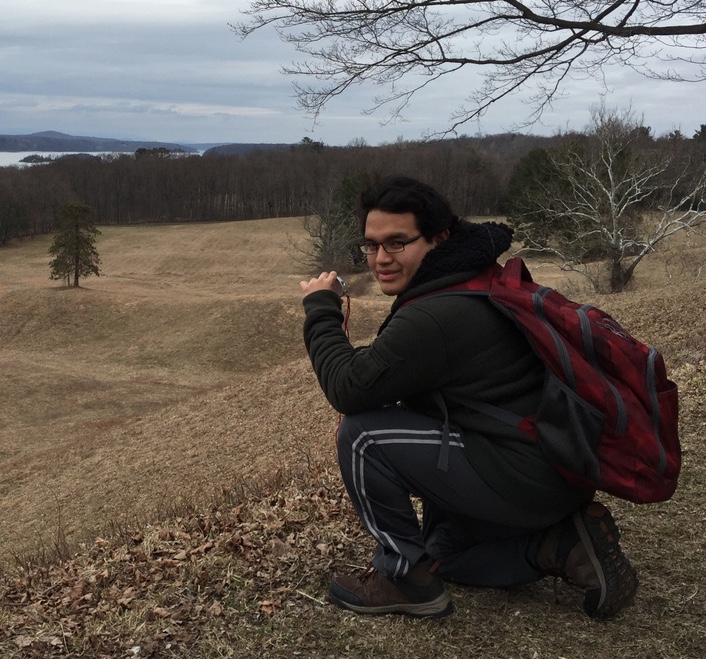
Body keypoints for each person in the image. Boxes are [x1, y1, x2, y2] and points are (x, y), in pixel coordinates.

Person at [299, 176, 638, 619]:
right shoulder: (471, 276)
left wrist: (321, 308)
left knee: (362, 435)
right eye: (372, 245)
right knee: (446, 555)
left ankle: (404, 579)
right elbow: (391, 365)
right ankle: (563, 544)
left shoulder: (438, 314)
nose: (381, 258)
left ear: (439, 239)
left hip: (522, 474)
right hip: (554, 469)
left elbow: (348, 388)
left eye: (398, 242)